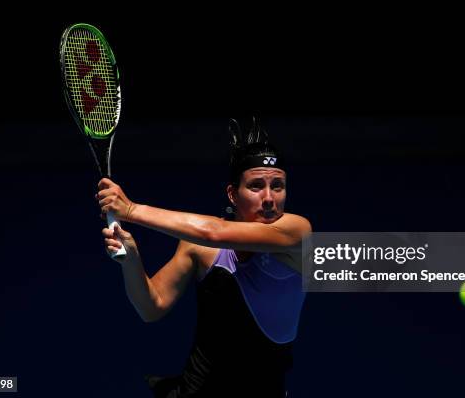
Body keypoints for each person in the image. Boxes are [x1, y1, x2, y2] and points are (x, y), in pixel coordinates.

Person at [96, 117, 311, 397]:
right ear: (233, 194)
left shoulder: (298, 233)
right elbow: (152, 306)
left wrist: (132, 210)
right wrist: (132, 261)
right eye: (256, 186)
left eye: (278, 186)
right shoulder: (198, 247)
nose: (269, 198)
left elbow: (214, 232)